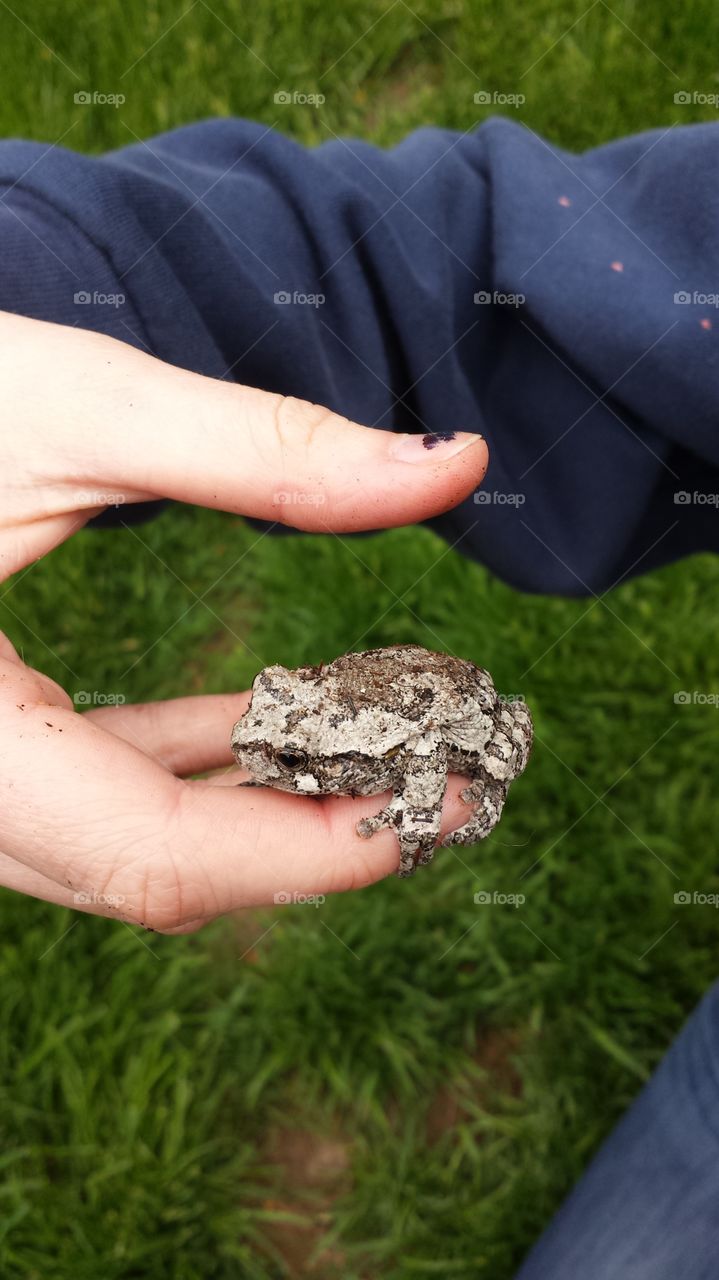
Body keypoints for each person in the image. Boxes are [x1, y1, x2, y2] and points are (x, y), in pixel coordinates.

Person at [1, 114, 718, 1275]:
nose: (266, 751)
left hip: (434, 719)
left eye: (288, 751)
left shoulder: (362, 756)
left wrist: (421, 804)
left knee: (476, 758)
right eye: (278, 733)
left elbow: (430, 749)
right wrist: (34, 305)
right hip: (399, 700)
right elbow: (427, 262)